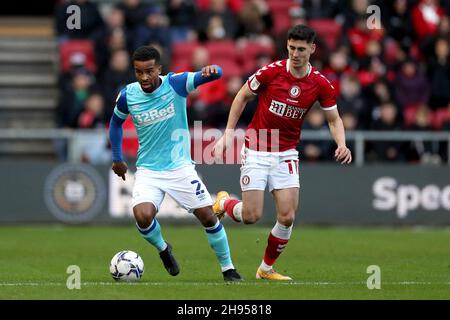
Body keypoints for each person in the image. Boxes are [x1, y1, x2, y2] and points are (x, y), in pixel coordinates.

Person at [212, 25, 352, 281]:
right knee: (252, 216)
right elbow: (242, 96)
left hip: (286, 152)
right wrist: (228, 133)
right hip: (256, 147)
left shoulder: (321, 84)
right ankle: (224, 203)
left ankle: (265, 269)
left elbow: (334, 119)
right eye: (291, 48)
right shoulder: (271, 72)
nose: (296, 53)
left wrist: (341, 144)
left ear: (312, 49)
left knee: (287, 216)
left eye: (301, 49)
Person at [109, 46, 242, 282]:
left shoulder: (176, 83)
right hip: (148, 170)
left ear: (159, 69)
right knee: (142, 215)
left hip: (180, 167)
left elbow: (217, 73)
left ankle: (228, 269)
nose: (144, 77)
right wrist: (117, 158)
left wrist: (213, 70)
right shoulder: (128, 95)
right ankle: (163, 249)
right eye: (139, 72)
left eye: (149, 71)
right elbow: (115, 124)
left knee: (208, 217)